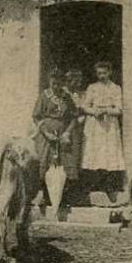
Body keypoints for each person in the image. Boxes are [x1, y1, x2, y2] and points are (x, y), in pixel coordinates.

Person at [31, 68, 84, 221]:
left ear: (62, 83)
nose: (56, 86)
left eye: (59, 83)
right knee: (44, 161)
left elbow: (74, 117)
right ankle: (41, 196)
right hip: (46, 134)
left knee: (64, 163)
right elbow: (36, 117)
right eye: (53, 83)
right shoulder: (44, 96)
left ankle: (62, 200)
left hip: (63, 135)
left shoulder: (66, 97)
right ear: (50, 81)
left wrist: (67, 132)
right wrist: (46, 132)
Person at [78, 60, 126, 207]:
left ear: (109, 73)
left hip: (110, 124)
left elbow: (119, 109)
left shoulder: (116, 88)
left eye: (104, 73)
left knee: (109, 153)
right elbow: (85, 106)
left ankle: (109, 186)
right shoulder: (92, 88)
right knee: (94, 153)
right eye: (99, 73)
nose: (102, 76)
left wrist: (107, 110)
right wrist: (94, 111)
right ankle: (92, 186)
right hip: (94, 125)